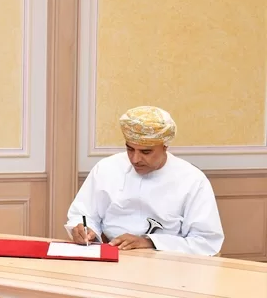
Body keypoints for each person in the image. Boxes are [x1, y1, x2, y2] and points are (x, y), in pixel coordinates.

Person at [65, 106, 224, 256]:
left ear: (165, 146)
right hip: (110, 260)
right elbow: (83, 214)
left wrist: (150, 242)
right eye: (130, 149)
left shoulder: (192, 180)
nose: (135, 159)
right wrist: (84, 230)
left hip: (168, 265)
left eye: (145, 152)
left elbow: (206, 242)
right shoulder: (106, 168)